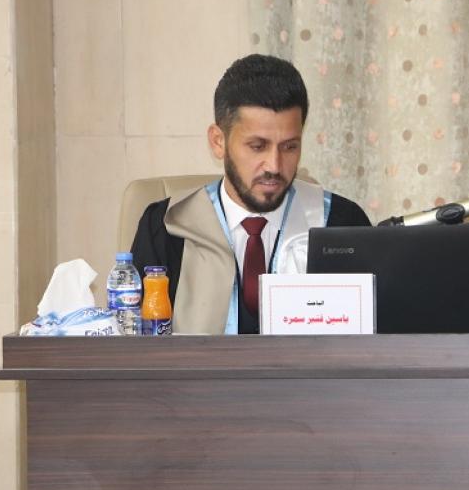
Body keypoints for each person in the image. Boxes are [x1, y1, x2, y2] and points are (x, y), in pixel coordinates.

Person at [130, 54, 371, 335]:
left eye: (289, 147)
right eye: (257, 146)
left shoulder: (342, 225)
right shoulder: (167, 227)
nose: (274, 166)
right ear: (218, 142)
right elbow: (137, 347)